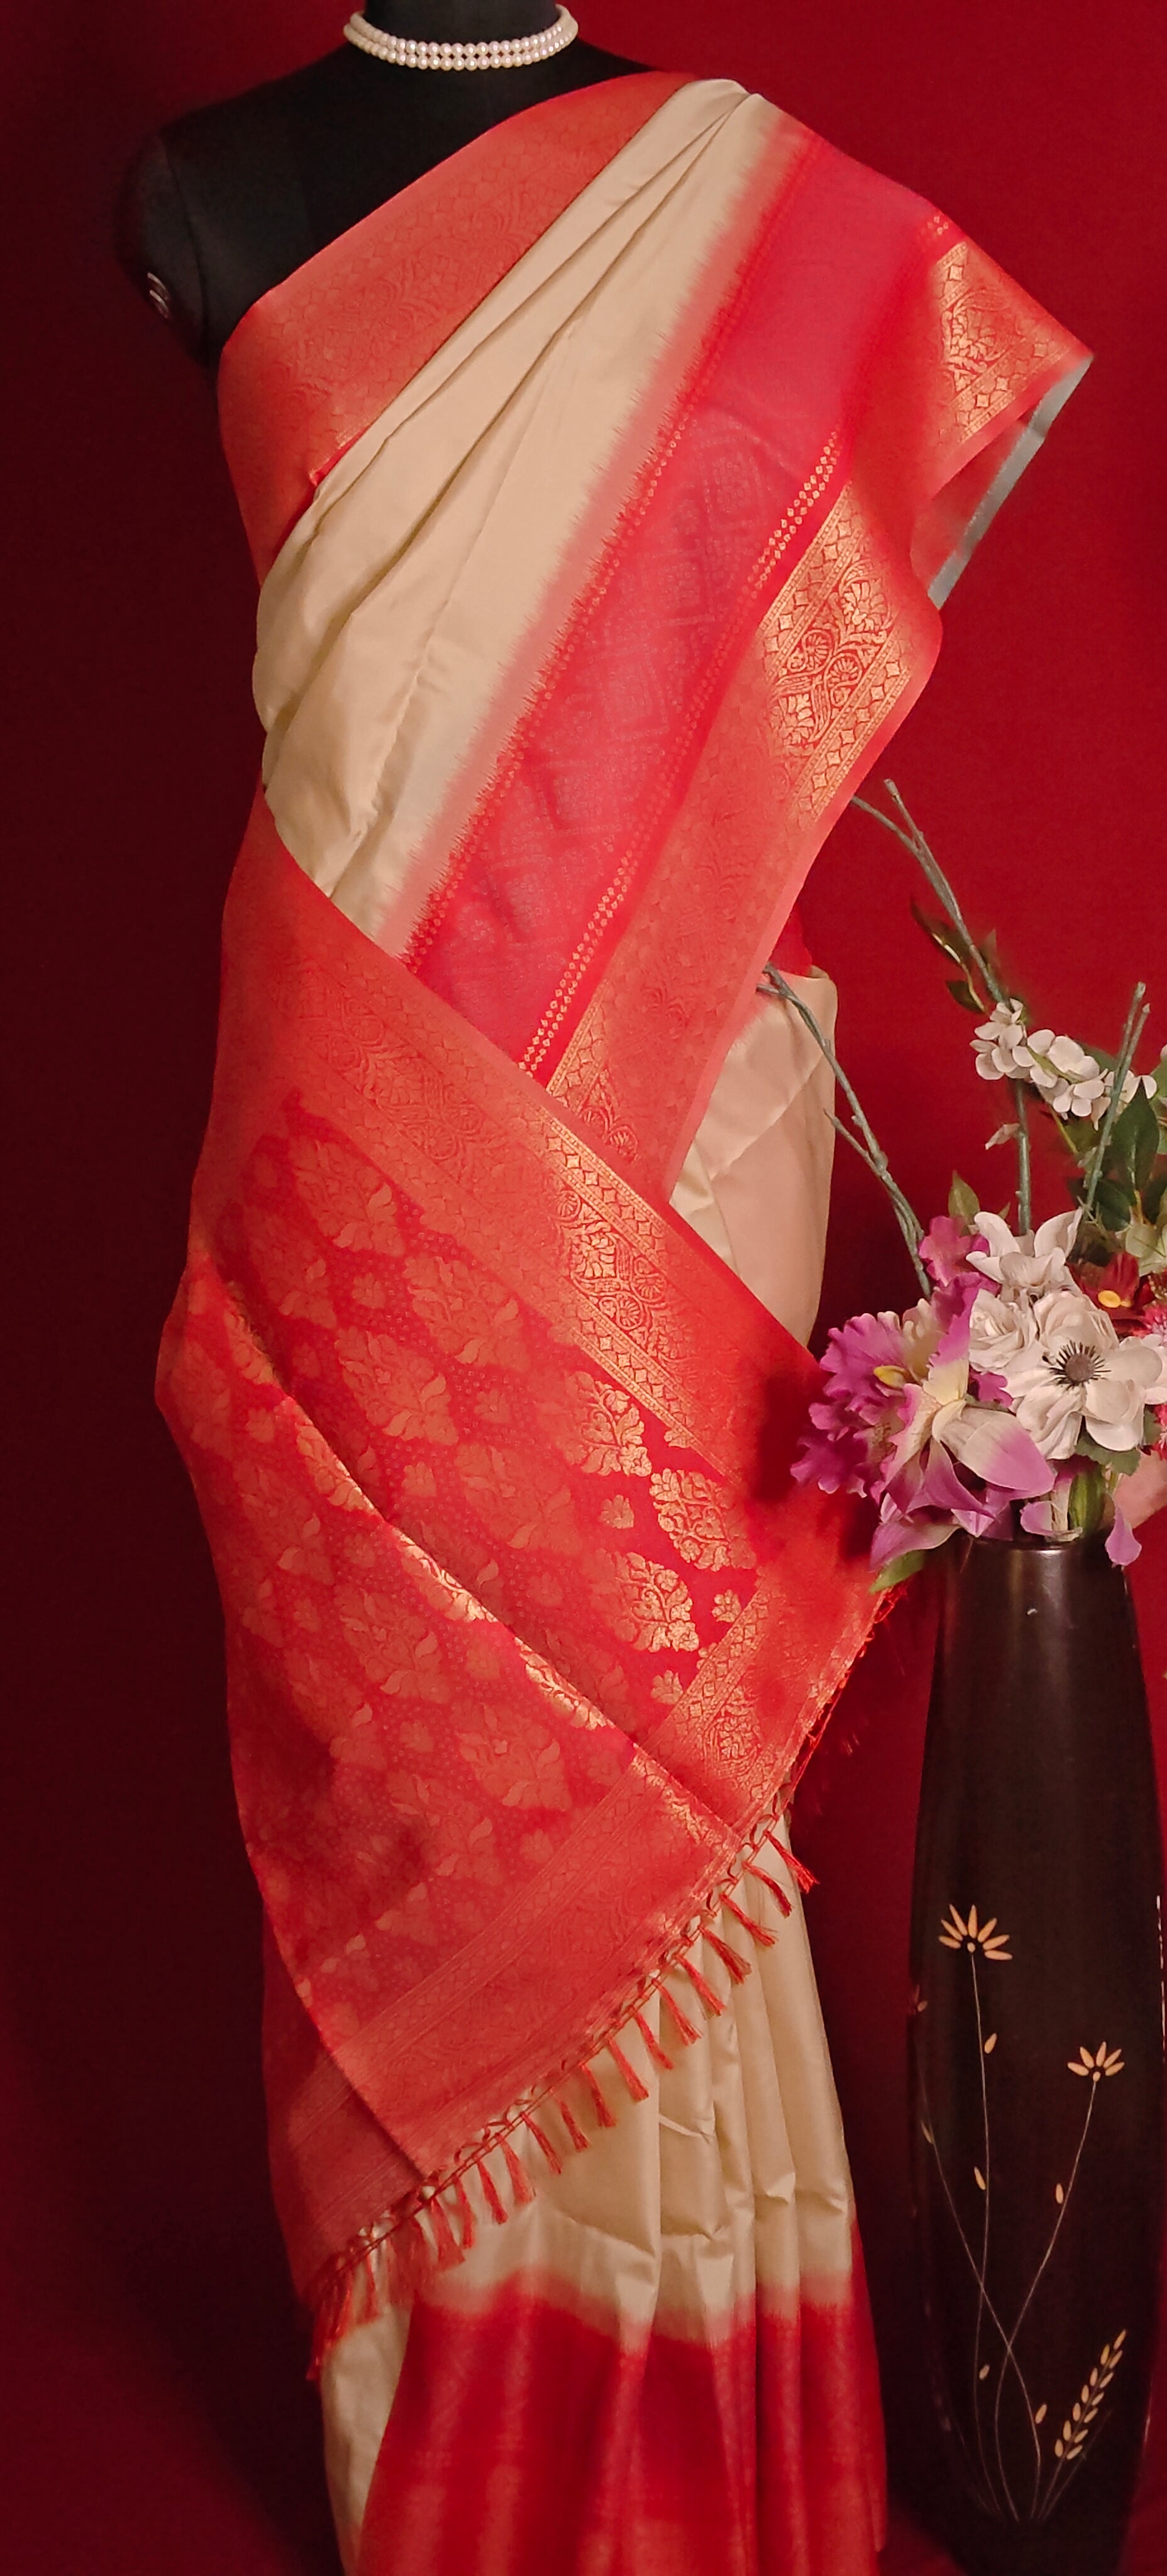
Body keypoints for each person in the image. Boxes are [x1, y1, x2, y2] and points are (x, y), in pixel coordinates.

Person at [122, 9, 1114, 2568]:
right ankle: (454, 2430)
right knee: (405, 1760)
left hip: (678, 1111)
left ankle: (716, 2410)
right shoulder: (199, 184)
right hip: (357, 1097)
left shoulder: (756, 194)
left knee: (657, 1755)